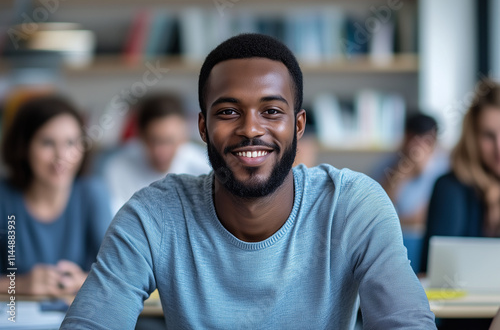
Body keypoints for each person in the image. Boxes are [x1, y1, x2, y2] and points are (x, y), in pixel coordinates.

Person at [61, 34, 436, 329]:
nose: (251, 129)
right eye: (228, 112)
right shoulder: (153, 214)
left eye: (271, 111)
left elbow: (405, 323)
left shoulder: (353, 205)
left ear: (299, 125)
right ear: (204, 128)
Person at [0, 95, 112, 297]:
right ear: (24, 147)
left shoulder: (92, 193)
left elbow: (120, 274)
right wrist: (18, 284)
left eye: (71, 143)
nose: (62, 156)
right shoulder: (4, 197)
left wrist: (84, 281)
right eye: (47, 143)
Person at [420, 79, 500, 330]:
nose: (499, 148)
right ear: (473, 138)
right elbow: (436, 273)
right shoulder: (450, 188)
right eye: (489, 136)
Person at [102, 93, 211, 214]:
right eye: (153, 140)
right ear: (140, 137)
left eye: (169, 141)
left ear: (183, 138)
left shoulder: (204, 167)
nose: (161, 151)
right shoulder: (118, 167)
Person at [375, 113, 449, 231]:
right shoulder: (387, 166)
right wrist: (400, 174)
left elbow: (432, 216)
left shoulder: (445, 169)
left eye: (426, 142)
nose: (418, 149)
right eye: (414, 141)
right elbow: (377, 211)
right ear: (405, 138)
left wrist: (396, 221)